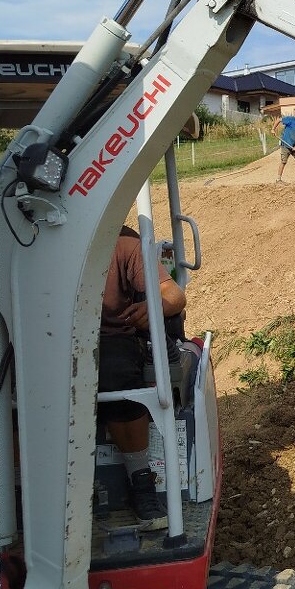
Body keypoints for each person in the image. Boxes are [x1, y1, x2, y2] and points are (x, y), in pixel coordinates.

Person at [98, 226, 187, 530]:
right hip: (49, 337)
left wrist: (156, 306)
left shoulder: (124, 242)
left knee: (116, 376)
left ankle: (141, 479)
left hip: (111, 338)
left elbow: (173, 294)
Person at [272, 109, 295, 183]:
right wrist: (273, 129)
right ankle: (278, 179)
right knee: (283, 162)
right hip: (285, 145)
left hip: (293, 146)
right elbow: (279, 120)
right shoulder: (291, 120)